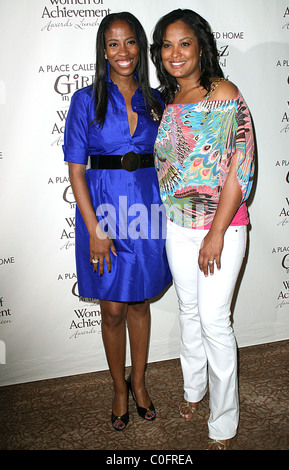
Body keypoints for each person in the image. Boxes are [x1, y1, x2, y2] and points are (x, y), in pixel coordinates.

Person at [151, 9, 255, 450]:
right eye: (167, 46)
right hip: (177, 226)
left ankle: (224, 420)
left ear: (201, 47)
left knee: (214, 321)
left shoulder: (224, 93)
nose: (176, 54)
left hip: (222, 228)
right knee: (189, 313)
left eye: (185, 43)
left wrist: (215, 232)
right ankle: (194, 389)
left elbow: (240, 167)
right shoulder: (167, 100)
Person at [63, 12, 171, 432]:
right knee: (111, 310)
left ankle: (140, 383)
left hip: (147, 209)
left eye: (130, 42)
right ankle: (118, 388)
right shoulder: (84, 101)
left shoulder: (158, 101)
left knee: (140, 302)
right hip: (105, 211)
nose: (122, 51)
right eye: (113, 43)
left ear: (140, 48)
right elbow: (76, 170)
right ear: (103, 50)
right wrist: (94, 229)